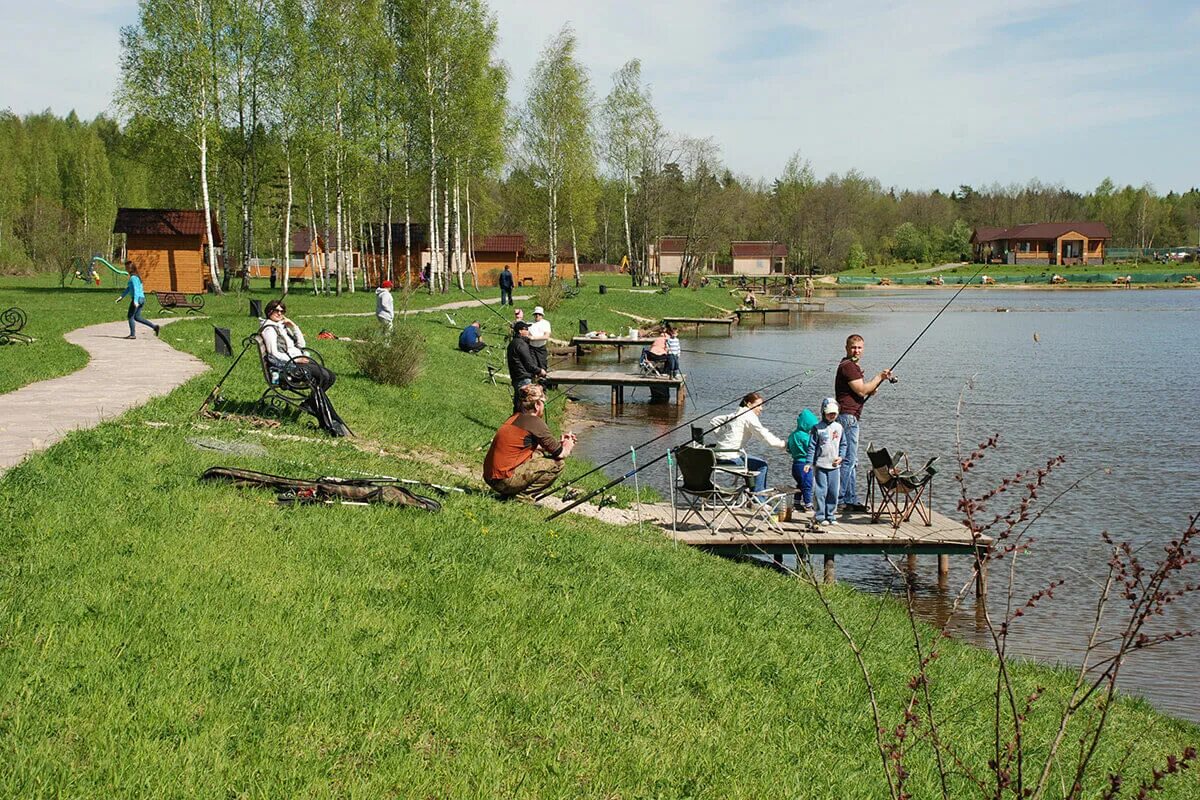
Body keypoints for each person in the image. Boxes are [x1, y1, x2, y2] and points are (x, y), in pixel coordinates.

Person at [259, 299, 349, 437]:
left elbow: (300, 344)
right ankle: (327, 418)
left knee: (330, 376)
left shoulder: (281, 326)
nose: (279, 313)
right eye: (276, 310)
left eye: (282, 311)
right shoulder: (269, 329)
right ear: (269, 311)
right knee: (321, 377)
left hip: (297, 362)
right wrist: (295, 360)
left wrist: (294, 326)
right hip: (286, 369)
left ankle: (310, 403)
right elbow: (273, 353)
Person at [484, 383, 576, 499]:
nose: (544, 406)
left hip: (490, 477)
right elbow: (561, 454)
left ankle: (511, 492)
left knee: (539, 454)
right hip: (503, 480)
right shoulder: (535, 422)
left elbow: (528, 446)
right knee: (557, 465)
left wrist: (560, 445)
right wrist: (568, 445)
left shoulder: (515, 417)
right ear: (537, 405)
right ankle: (522, 497)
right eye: (543, 403)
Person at [834, 333, 894, 512]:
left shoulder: (851, 366)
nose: (856, 350)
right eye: (853, 347)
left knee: (853, 460)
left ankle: (850, 499)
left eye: (859, 347)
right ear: (846, 348)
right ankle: (839, 500)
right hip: (848, 417)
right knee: (848, 460)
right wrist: (879, 377)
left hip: (848, 417)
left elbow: (861, 391)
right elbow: (861, 389)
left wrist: (871, 387)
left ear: (863, 349)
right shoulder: (849, 366)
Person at [709, 391, 786, 498]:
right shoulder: (749, 416)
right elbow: (763, 435)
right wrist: (783, 445)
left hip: (719, 455)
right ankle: (758, 500)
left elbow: (714, 421)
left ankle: (751, 497)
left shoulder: (737, 413)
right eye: (758, 405)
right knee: (761, 466)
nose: (761, 408)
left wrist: (723, 438)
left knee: (752, 465)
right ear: (749, 404)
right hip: (729, 457)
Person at [804, 398, 847, 527]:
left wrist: (841, 457)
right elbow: (812, 446)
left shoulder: (839, 427)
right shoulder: (817, 428)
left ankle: (831, 514)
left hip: (834, 466)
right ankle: (820, 515)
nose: (832, 416)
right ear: (823, 412)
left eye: (834, 413)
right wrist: (808, 462)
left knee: (833, 491)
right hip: (821, 464)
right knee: (820, 491)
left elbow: (843, 444)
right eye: (829, 413)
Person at [114, 263, 160, 339]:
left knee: (130, 316)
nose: (125, 269)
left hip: (137, 299)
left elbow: (136, 290)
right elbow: (129, 288)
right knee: (137, 317)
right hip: (142, 299)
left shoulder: (133, 278)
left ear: (130, 268)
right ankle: (154, 327)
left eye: (127, 267)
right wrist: (121, 297)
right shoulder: (136, 277)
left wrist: (135, 301)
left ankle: (132, 335)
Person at [787, 407, 819, 515]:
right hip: (805, 464)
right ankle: (808, 505)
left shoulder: (793, 435)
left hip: (795, 464)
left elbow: (788, 448)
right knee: (807, 484)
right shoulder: (806, 437)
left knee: (800, 484)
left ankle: (796, 503)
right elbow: (811, 448)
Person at [506, 321, 544, 412]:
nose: (528, 331)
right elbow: (529, 364)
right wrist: (540, 371)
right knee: (526, 407)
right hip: (523, 379)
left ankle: (514, 424)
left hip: (516, 377)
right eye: (526, 329)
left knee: (518, 405)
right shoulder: (521, 344)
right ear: (520, 331)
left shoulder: (513, 343)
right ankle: (522, 425)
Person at [527, 305, 551, 373]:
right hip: (531, 348)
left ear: (542, 315)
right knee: (533, 366)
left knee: (543, 366)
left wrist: (534, 338)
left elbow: (546, 336)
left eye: (539, 314)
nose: (537, 315)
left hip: (541, 348)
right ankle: (534, 381)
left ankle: (542, 381)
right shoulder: (529, 323)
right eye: (536, 314)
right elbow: (526, 334)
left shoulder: (546, 323)